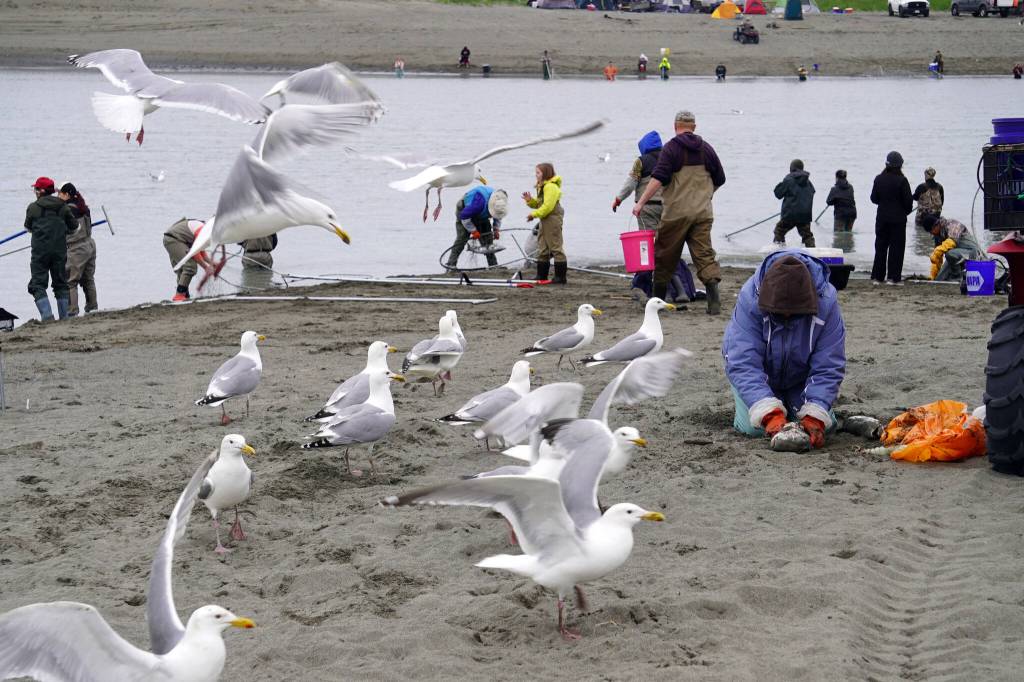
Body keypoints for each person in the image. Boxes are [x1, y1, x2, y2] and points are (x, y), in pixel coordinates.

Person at [722, 250, 846, 452]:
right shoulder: (750, 299)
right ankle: (769, 406)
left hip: (801, 379)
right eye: (780, 314)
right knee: (753, 430)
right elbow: (742, 363)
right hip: (763, 375)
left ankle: (796, 405)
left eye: (794, 314)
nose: (787, 317)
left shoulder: (827, 302)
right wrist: (769, 414)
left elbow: (829, 365)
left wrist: (815, 414)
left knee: (826, 427)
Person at [633, 110, 726, 315]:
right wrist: (706, 196)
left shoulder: (672, 148)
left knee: (664, 255)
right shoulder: (706, 149)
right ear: (694, 127)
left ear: (675, 127)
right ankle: (714, 302)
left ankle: (658, 301)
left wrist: (640, 202)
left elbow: (658, 178)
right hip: (702, 213)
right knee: (704, 255)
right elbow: (720, 179)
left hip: (676, 213)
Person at [24, 177, 78, 321]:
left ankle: (47, 317)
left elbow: (28, 227)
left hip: (39, 253)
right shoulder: (63, 206)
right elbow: (74, 227)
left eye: (36, 189)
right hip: (59, 252)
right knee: (61, 284)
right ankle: (64, 318)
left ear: (41, 191)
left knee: (37, 285)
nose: (34, 191)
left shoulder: (33, 207)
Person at [869, 151, 914, 286]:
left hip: (882, 217)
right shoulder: (902, 180)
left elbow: (873, 198)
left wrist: (884, 203)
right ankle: (893, 278)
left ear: (887, 164)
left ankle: (877, 277)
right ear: (900, 165)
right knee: (897, 248)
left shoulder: (878, 179)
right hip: (898, 220)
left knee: (880, 247)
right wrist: (904, 212)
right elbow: (908, 202)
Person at [523, 163, 567, 283]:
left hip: (552, 218)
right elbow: (539, 204)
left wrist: (534, 214)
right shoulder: (542, 186)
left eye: (538, 173)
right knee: (543, 247)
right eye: (536, 172)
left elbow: (548, 206)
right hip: (544, 219)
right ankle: (541, 275)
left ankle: (560, 277)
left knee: (556, 247)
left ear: (545, 174)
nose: (536, 175)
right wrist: (530, 201)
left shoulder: (550, 187)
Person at [446, 186, 509, 270]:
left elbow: (498, 216)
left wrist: (496, 229)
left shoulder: (499, 202)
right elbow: (464, 218)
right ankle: (451, 265)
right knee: (462, 238)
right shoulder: (478, 204)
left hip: (482, 214)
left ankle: (493, 265)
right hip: (465, 211)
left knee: (488, 241)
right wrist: (473, 231)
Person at [58, 182, 97, 317]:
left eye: (60, 193)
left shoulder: (68, 210)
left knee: (71, 281)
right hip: (90, 245)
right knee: (88, 279)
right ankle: (92, 307)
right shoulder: (84, 207)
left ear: (67, 194)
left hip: (76, 248)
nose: (58, 196)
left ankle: (72, 310)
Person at [612, 130, 664, 231]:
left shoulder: (641, 161)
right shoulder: (669, 159)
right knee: (666, 240)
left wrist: (618, 199)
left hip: (647, 207)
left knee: (649, 240)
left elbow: (630, 183)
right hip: (667, 207)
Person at [163, 217, 215, 301]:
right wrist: (206, 267)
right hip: (174, 239)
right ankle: (179, 295)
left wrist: (212, 263)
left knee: (183, 269)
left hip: (173, 239)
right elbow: (196, 253)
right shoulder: (203, 230)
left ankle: (184, 295)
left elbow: (200, 250)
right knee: (190, 266)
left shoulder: (206, 229)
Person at [922, 214, 983, 282]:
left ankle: (957, 277)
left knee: (949, 254)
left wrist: (937, 250)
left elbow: (952, 241)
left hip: (972, 253)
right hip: (957, 256)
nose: (932, 233)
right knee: (939, 279)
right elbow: (937, 258)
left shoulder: (951, 224)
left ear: (936, 225)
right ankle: (959, 275)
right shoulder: (937, 235)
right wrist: (933, 275)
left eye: (931, 231)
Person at [773, 159, 816, 247]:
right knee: (807, 236)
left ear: (791, 168)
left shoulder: (789, 179)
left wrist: (781, 185)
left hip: (790, 214)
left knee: (779, 231)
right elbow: (813, 192)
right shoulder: (808, 181)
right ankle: (812, 251)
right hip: (805, 215)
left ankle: (779, 249)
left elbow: (778, 194)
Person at [912, 167, 944, 235]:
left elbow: (914, 197)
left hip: (923, 218)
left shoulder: (921, 187)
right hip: (936, 217)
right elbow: (942, 201)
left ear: (926, 175)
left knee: (920, 234)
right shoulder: (940, 187)